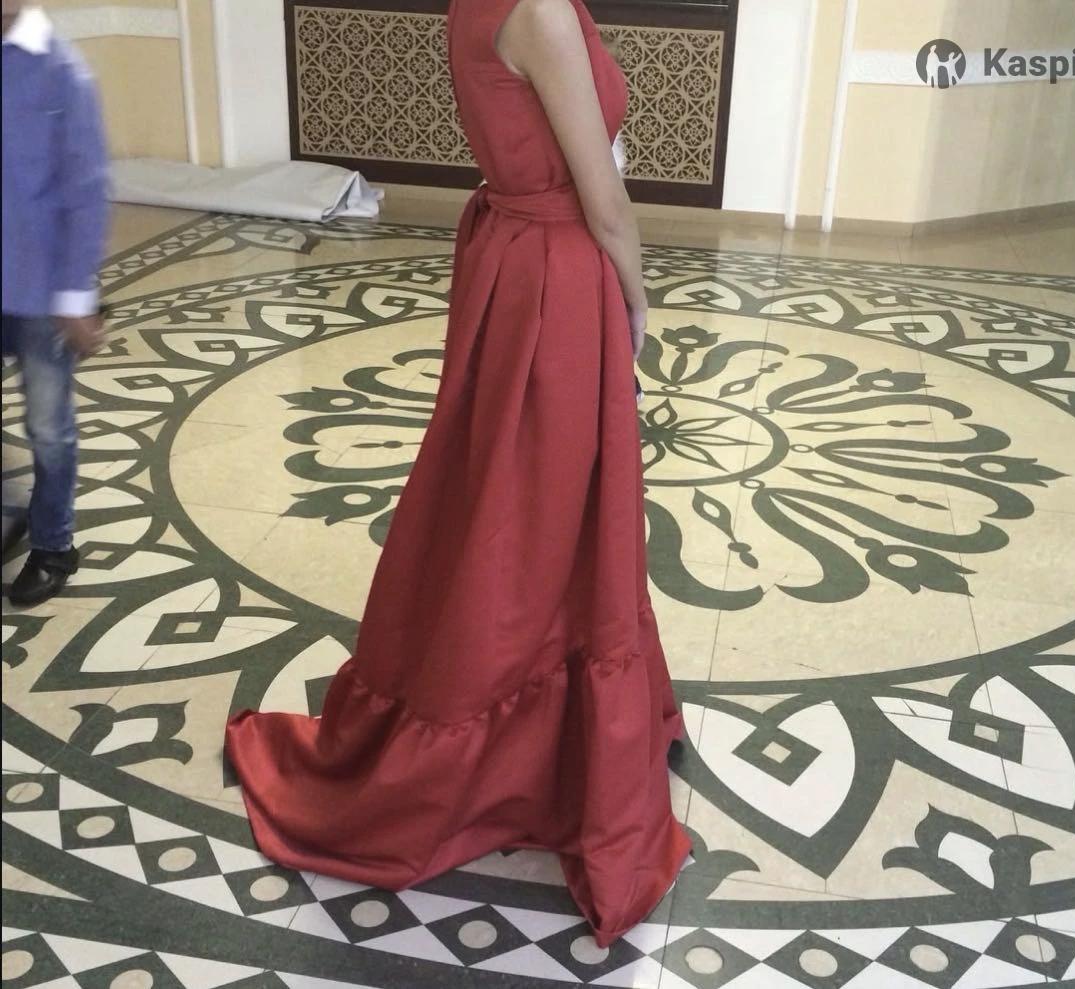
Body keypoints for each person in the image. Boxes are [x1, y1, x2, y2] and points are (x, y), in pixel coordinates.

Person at [225, 0, 689, 947]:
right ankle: (529, 755)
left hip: (517, 261)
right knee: (541, 521)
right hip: (560, 276)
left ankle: (547, 737)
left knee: (509, 507)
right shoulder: (540, 12)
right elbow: (605, 203)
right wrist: (639, 301)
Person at [2, 1, 108, 605]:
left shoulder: (62, 73)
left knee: (47, 425)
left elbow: (86, 190)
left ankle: (53, 543)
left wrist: (75, 297)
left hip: (40, 290)